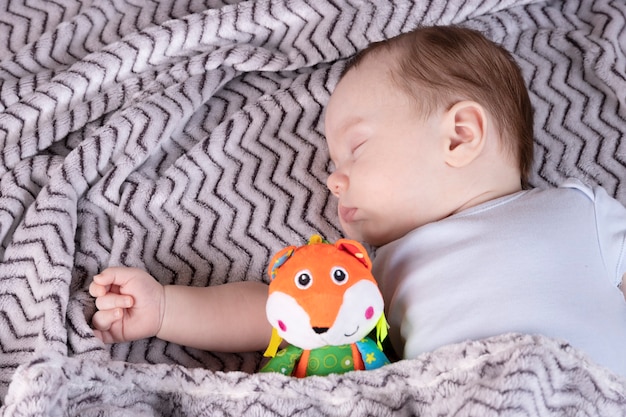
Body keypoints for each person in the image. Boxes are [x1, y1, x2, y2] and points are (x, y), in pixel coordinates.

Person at [90, 25, 626, 376]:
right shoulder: (375, 271)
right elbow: (276, 312)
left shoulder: (579, 207)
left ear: (460, 136)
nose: (332, 180)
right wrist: (166, 308)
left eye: (356, 148)